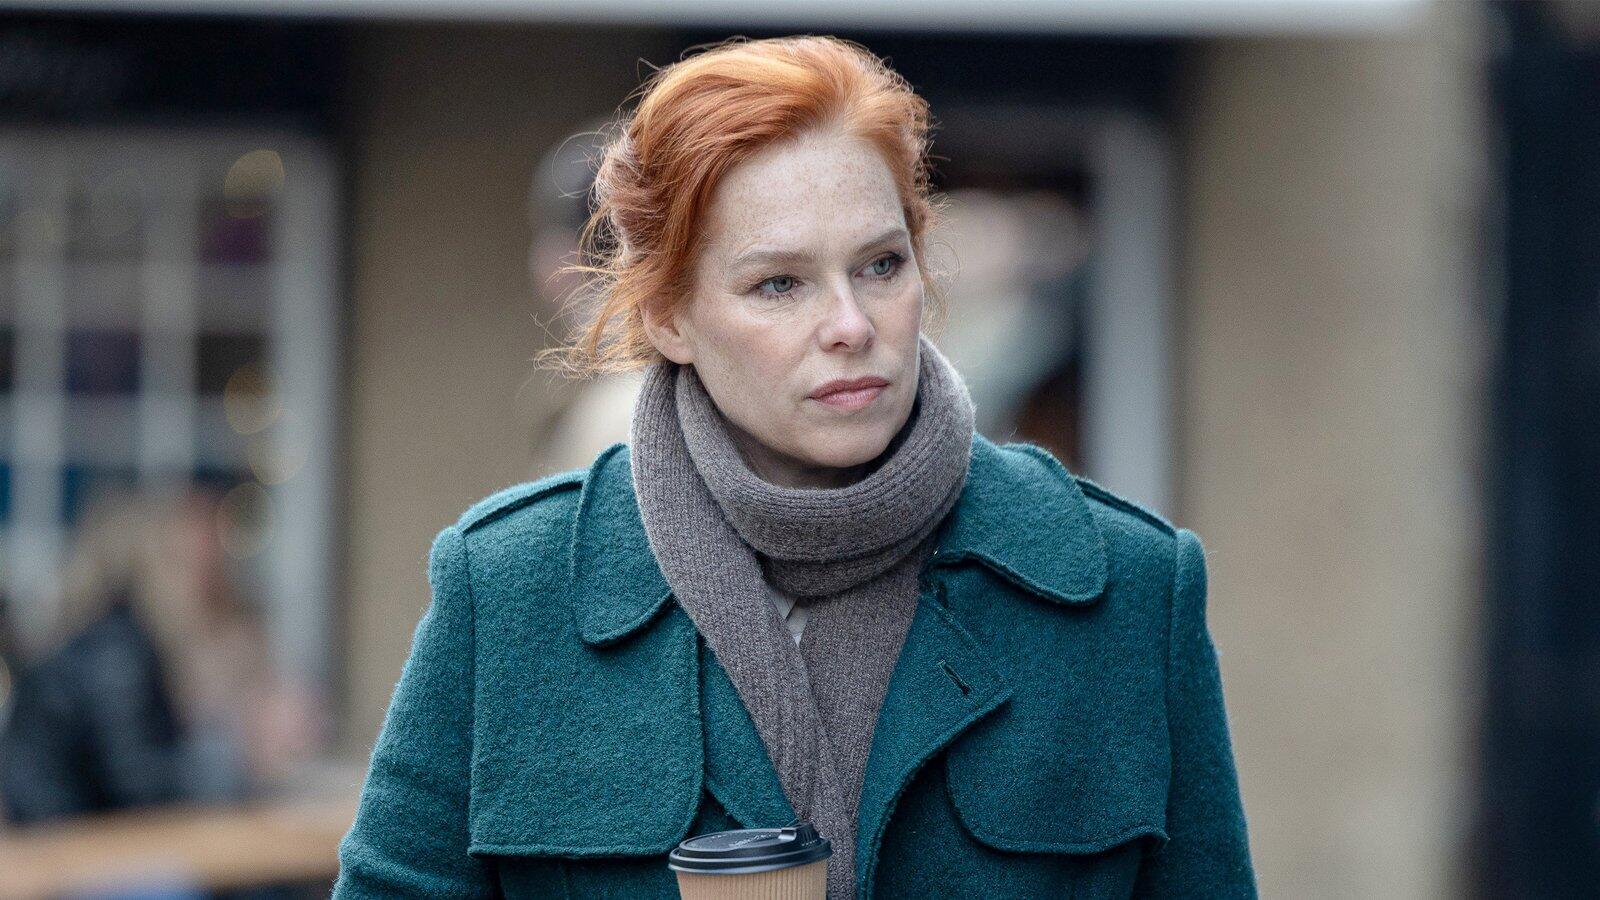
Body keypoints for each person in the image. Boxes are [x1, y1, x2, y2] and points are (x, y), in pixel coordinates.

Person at [334, 35, 1255, 899]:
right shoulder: (511, 590)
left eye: (882, 265)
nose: (851, 324)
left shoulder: (1128, 589)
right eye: (780, 283)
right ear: (668, 316)